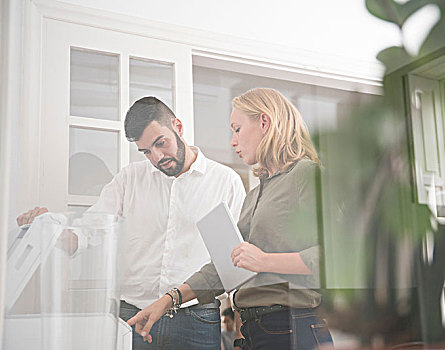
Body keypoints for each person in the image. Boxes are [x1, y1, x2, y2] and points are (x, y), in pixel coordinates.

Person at [16, 96, 246, 350]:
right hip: (133, 315)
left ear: (178, 127)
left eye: (161, 144)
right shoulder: (129, 179)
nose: (157, 157)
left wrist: (240, 330)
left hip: (196, 318)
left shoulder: (226, 181)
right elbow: (86, 231)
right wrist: (47, 226)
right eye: (146, 151)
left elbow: (234, 262)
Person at [127, 88, 334, 349]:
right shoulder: (255, 194)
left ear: (264, 122)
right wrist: (167, 301)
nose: (232, 142)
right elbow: (225, 269)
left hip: (293, 326)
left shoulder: (306, 174)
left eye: (236, 129)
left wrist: (263, 260)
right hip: (256, 331)